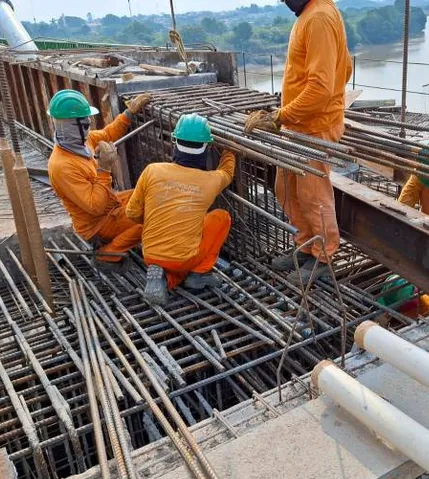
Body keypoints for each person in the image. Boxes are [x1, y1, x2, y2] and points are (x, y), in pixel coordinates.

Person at [244, 0, 352, 282]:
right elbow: (346, 67)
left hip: (315, 126)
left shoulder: (318, 18)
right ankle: (306, 246)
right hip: (299, 123)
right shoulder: (309, 14)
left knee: (313, 195)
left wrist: (280, 115)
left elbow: (320, 87)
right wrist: (289, 116)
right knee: (286, 189)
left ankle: (323, 259)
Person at [126, 113, 236, 306]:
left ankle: (162, 277)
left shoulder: (152, 170)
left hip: (150, 253)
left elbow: (132, 213)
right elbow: (227, 171)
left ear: (175, 143)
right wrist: (229, 148)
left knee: (176, 248)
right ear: (206, 148)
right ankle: (199, 273)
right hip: (183, 259)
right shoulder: (211, 180)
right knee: (221, 217)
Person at [47, 89, 151, 266]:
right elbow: (95, 207)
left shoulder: (81, 141)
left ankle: (124, 235)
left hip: (109, 207)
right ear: (71, 126)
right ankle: (108, 254)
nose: (89, 125)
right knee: (151, 218)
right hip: (97, 225)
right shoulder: (62, 166)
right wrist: (104, 169)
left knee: (145, 194)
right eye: (85, 123)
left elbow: (107, 134)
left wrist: (128, 113)